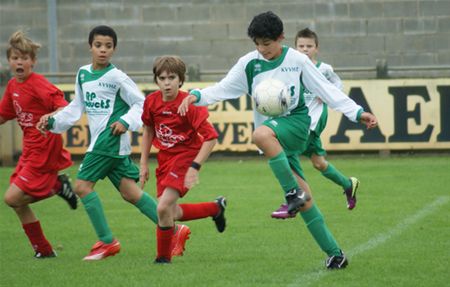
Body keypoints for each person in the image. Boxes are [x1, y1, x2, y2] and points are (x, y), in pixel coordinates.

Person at [178, 11, 377, 269]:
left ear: (281, 38)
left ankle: (291, 193)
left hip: (295, 123)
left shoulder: (298, 61)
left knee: (260, 134)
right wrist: (196, 95)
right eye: (257, 43)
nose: (262, 49)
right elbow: (223, 88)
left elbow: (326, 90)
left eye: (267, 43)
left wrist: (358, 113)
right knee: (307, 203)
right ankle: (336, 254)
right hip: (277, 136)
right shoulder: (250, 63)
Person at [36, 25, 189, 261]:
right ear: (90, 47)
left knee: (81, 187)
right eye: (98, 45)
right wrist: (53, 122)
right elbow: (76, 108)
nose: (103, 50)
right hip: (107, 145)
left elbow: (142, 104)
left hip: (108, 141)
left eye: (108, 46)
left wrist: (126, 122)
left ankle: (107, 242)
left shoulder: (117, 77)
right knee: (131, 193)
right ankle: (175, 230)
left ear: (114, 49)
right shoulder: (83, 74)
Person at [140, 55, 226, 264]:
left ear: (180, 79)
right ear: (156, 80)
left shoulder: (189, 103)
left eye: (172, 77)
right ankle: (215, 208)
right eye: (162, 78)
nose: (167, 83)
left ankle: (162, 260)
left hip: (186, 157)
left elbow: (211, 138)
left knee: (161, 208)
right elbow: (148, 129)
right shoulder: (151, 102)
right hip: (165, 160)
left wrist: (195, 166)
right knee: (170, 212)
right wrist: (143, 163)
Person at [0, 30, 77, 258]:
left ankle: (57, 186)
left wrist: (50, 116)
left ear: (33, 61)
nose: (19, 62)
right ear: (9, 61)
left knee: (11, 198)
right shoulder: (13, 87)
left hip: (45, 146)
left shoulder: (39, 84)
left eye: (24, 58)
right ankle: (43, 250)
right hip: (30, 150)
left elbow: (64, 107)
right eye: (15, 58)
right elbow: (3, 115)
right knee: (18, 203)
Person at [271, 28, 360, 219]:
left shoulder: (324, 69)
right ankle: (348, 184)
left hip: (315, 120)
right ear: (295, 48)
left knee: (287, 151)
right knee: (319, 163)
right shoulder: (291, 67)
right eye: (301, 46)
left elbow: (338, 86)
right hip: (299, 120)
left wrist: (325, 94)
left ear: (316, 48)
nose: (304, 49)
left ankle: (294, 199)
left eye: (309, 46)